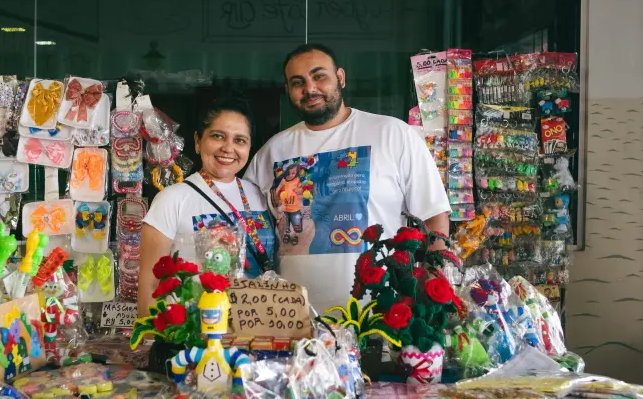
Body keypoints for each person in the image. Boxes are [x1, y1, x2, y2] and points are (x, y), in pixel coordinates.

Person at [245, 43, 451, 311]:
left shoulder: (392, 134)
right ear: (288, 90)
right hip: (293, 318)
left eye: (319, 76)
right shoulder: (272, 151)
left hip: (379, 316)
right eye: (298, 82)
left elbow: (433, 216)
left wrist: (432, 287)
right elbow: (249, 230)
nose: (310, 88)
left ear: (340, 77)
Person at [138, 94, 275, 312]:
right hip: (197, 328)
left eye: (239, 140)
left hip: (257, 323)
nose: (228, 148)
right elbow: (149, 293)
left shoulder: (259, 195)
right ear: (198, 141)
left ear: (249, 147)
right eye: (218, 136)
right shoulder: (171, 199)